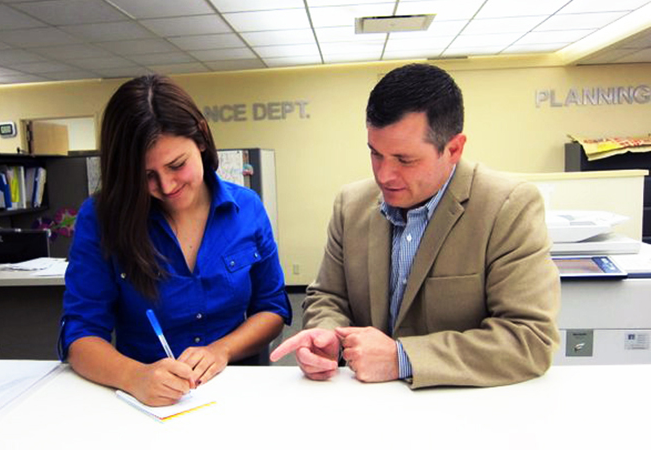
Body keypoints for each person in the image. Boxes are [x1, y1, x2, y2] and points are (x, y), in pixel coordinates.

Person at [271, 63, 560, 388]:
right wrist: (328, 334)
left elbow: (529, 339)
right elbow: (328, 296)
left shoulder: (508, 207)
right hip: (366, 406)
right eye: (375, 154)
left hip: (466, 412)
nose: (384, 175)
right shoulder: (350, 205)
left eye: (404, 160)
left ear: (453, 149)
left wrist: (401, 357)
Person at [60, 75, 291, 406]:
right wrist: (134, 377)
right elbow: (80, 334)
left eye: (177, 165)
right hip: (145, 400)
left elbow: (272, 308)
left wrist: (222, 349)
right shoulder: (101, 218)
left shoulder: (247, 208)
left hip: (237, 389)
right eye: (146, 176)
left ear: (200, 136)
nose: (166, 187)